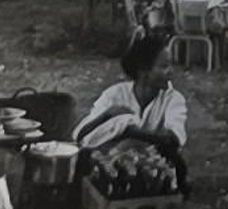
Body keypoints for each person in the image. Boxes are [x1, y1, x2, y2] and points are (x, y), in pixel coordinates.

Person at [72, 34, 188, 190]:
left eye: (171, 65)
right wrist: (107, 115)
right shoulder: (114, 95)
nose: (171, 72)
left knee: (175, 161)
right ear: (143, 71)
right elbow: (81, 135)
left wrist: (130, 133)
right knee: (85, 158)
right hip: (111, 160)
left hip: (150, 163)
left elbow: (173, 139)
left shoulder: (173, 99)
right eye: (164, 66)